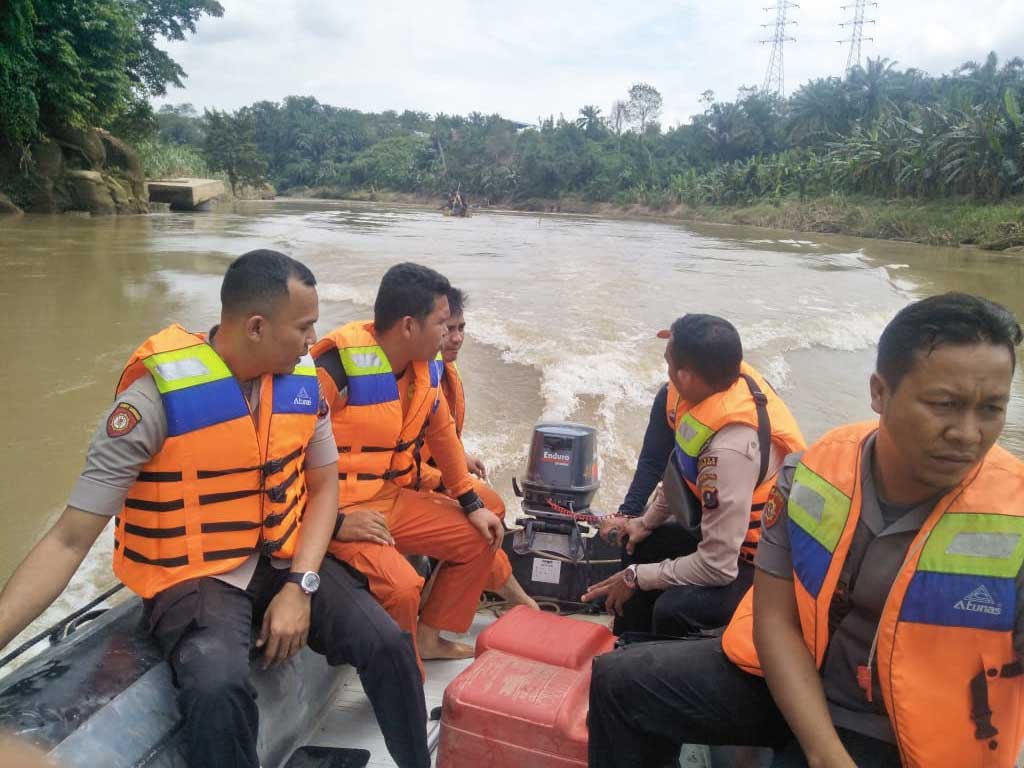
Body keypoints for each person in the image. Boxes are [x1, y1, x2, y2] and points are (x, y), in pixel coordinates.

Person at [0, 250, 428, 768]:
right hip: (193, 576)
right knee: (217, 685)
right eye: (303, 327)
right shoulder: (152, 402)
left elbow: (323, 489)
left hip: (281, 561)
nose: (313, 341)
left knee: (387, 642)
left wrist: (301, 585)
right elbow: (69, 539)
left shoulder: (302, 389)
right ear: (255, 327)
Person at [588, 292, 1024, 768]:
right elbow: (775, 619)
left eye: (991, 409)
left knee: (671, 603)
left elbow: (717, 561)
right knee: (617, 681)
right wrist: (822, 751)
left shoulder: (1014, 516)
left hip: (906, 730)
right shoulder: (811, 475)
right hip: (797, 677)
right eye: (944, 404)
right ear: (879, 392)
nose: (967, 434)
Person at [312, 263, 503, 668]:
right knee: (402, 587)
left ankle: (430, 637)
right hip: (336, 507)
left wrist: (472, 504)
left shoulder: (427, 372)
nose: (449, 333)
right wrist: (335, 522)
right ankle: (404, 676)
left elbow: (444, 438)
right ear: (408, 327)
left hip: (387, 496)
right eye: (441, 323)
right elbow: (285, 455)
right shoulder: (334, 371)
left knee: (480, 536)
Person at [583, 314, 805, 637]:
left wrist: (635, 577)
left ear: (685, 376)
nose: (666, 370)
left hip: (760, 563)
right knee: (638, 544)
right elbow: (679, 468)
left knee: (675, 609)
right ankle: (626, 651)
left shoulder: (729, 449)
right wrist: (641, 523)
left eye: (668, 362)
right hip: (725, 532)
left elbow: (718, 565)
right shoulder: (706, 388)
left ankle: (657, 669)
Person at [417, 287, 538, 610]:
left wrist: (461, 457)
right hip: (415, 483)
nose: (456, 338)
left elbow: (438, 436)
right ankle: (515, 601)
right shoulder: (413, 378)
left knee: (492, 509)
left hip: (434, 475)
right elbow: (398, 453)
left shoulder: (442, 371)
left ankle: (517, 601)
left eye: (461, 329)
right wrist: (444, 480)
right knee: (488, 514)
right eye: (449, 329)